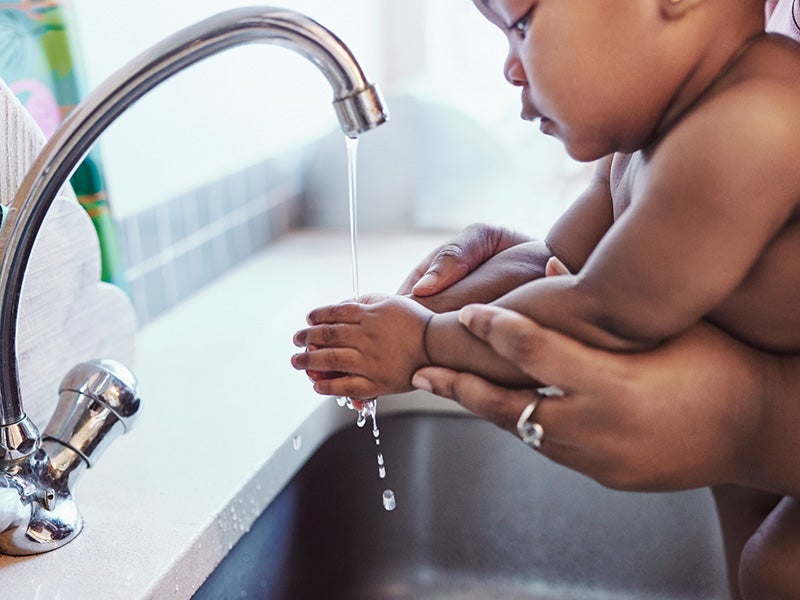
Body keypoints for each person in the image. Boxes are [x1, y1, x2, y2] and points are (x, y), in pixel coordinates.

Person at [292, 0, 800, 597]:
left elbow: (602, 313)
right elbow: (552, 263)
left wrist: (422, 344)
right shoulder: (650, 144)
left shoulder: (749, 124)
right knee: (757, 547)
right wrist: (425, 310)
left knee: (777, 568)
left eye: (523, 24)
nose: (510, 67)